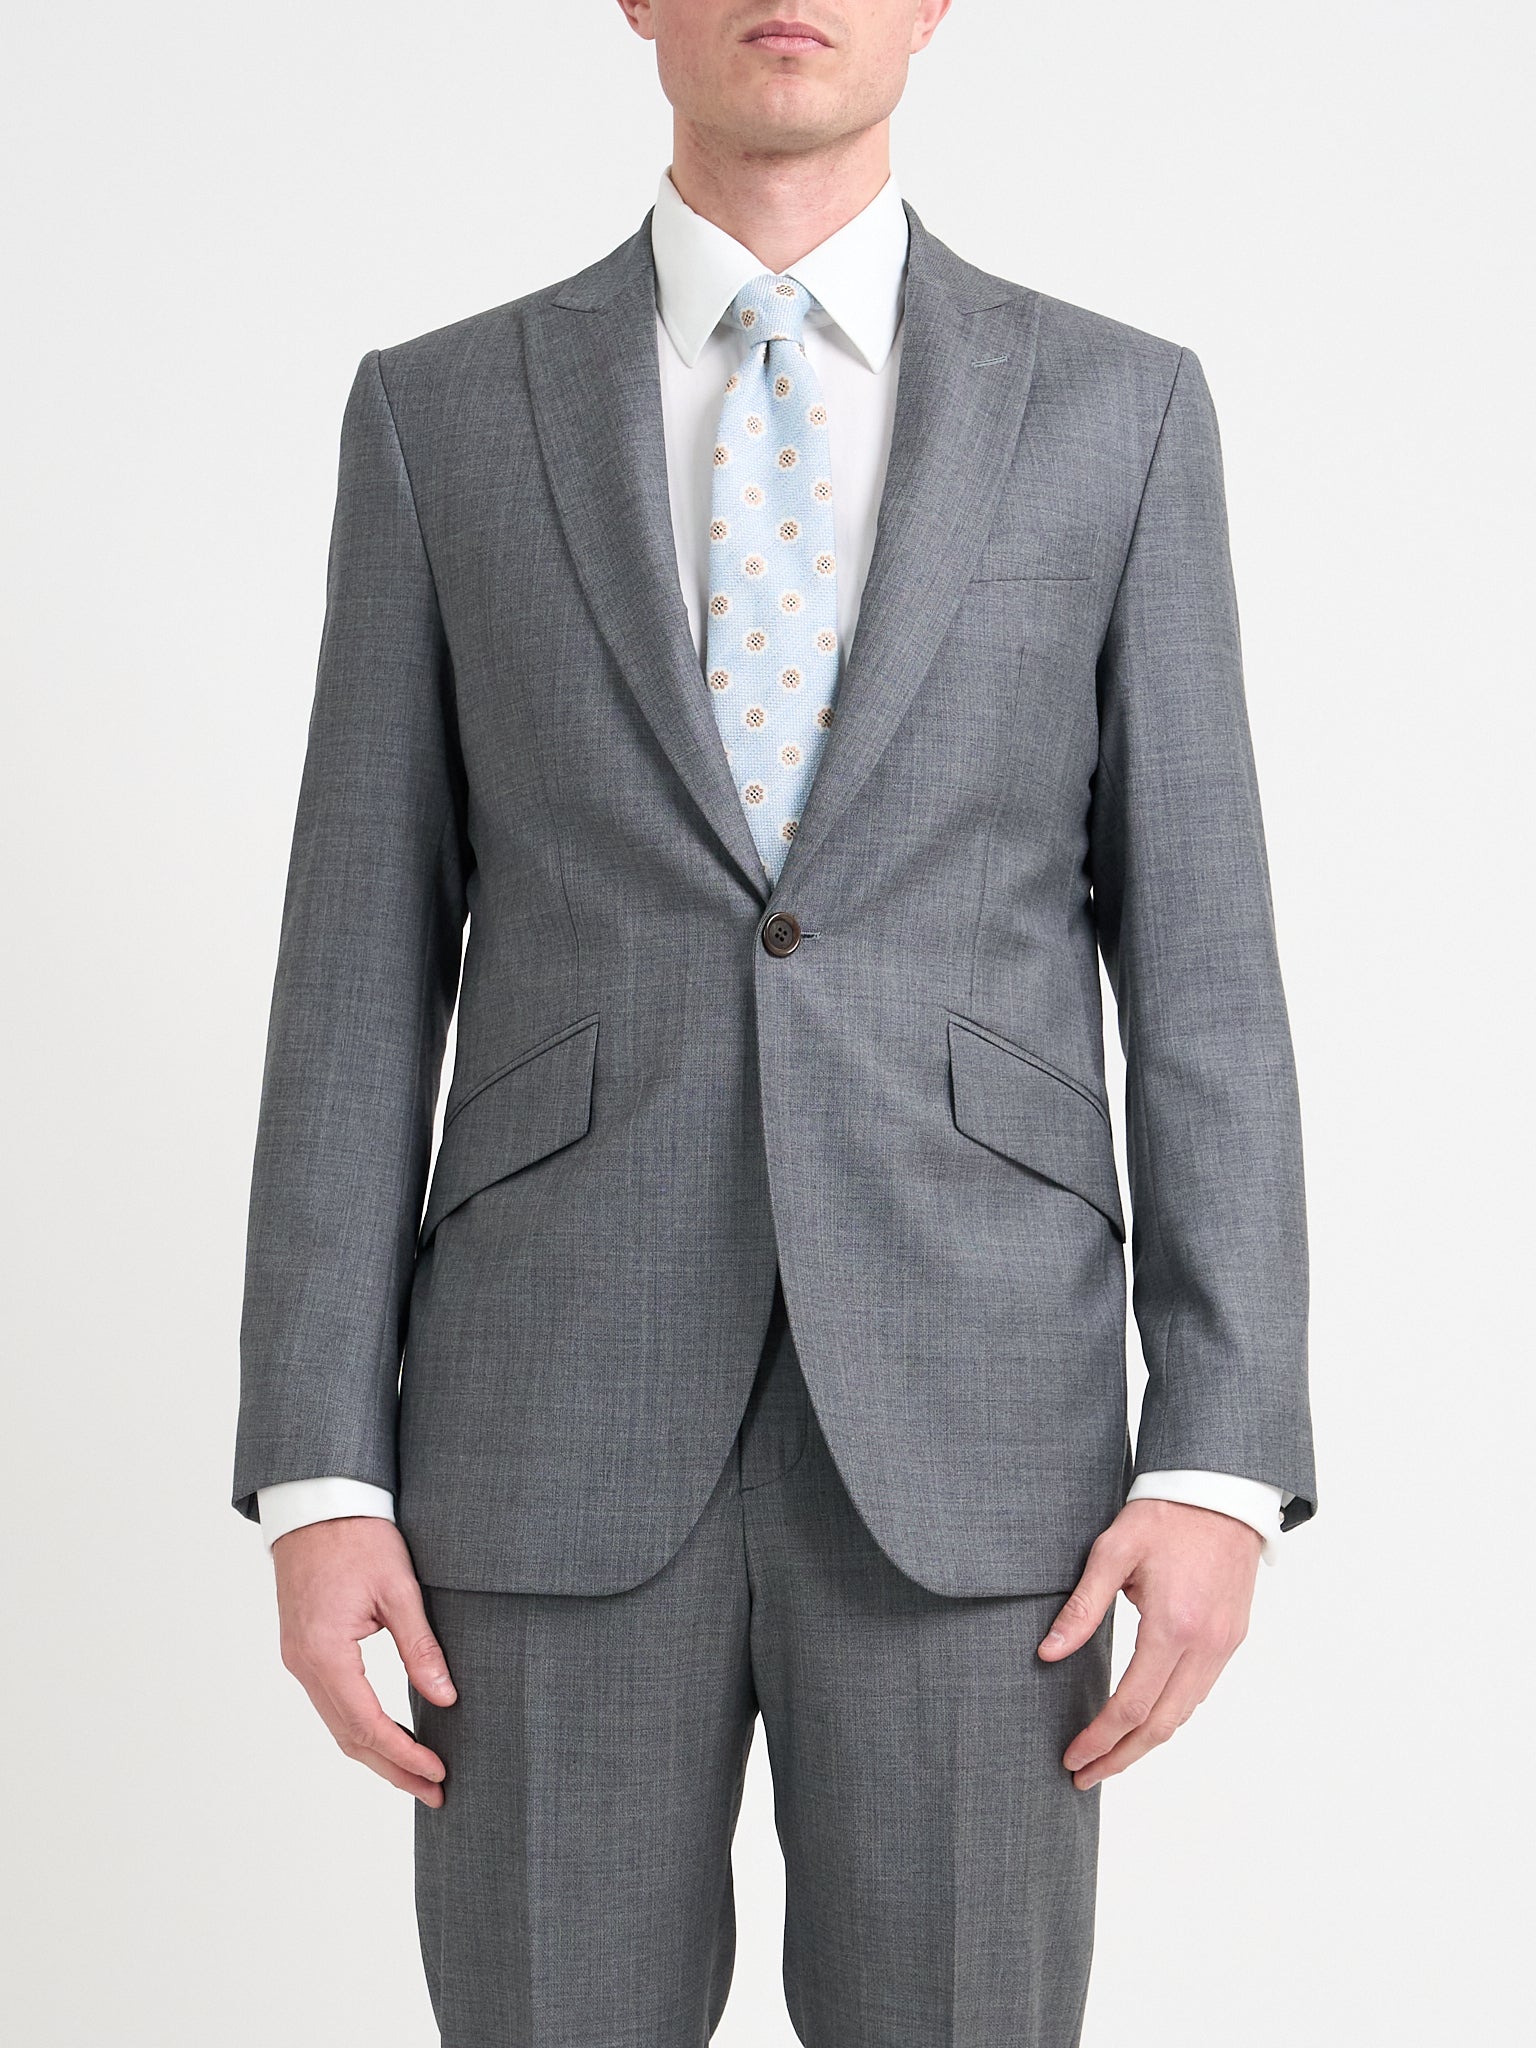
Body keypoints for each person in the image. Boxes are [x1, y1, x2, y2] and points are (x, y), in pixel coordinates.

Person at [232, 3, 1316, 2041]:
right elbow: (357, 963)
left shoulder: (1118, 412)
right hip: (542, 1427)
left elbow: (1208, 971)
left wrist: (1222, 1454)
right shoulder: (443, 416)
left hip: (983, 1443)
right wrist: (318, 1471)